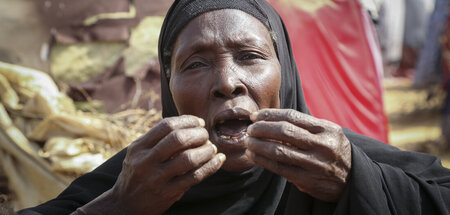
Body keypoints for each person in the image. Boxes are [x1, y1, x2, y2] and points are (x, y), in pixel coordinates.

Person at [19, 0, 450, 214]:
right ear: (168, 88)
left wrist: (358, 183)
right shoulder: (137, 182)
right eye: (197, 63)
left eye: (250, 57)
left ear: (287, 74)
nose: (227, 83)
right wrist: (118, 208)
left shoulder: (338, 160)